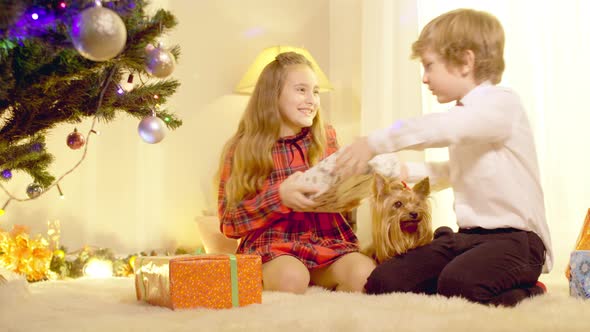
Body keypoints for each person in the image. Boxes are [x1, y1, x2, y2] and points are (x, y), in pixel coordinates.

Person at [334, 8, 552, 306]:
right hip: (467, 238)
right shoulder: (464, 116)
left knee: (459, 286)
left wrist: (375, 142)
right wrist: (402, 170)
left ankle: (531, 290)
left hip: (516, 243)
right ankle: (461, 270)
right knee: (385, 281)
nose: (425, 78)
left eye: (429, 66)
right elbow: (456, 172)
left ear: (465, 61)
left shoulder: (501, 105)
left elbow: (441, 127)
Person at [217, 52, 376, 294]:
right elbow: (230, 222)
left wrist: (355, 186)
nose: (311, 99)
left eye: (315, 92)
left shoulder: (327, 137)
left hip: (327, 242)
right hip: (273, 245)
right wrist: (279, 197)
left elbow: (342, 194)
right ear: (272, 95)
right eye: (301, 90)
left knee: (364, 274)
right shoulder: (242, 147)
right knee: (291, 278)